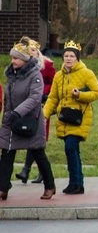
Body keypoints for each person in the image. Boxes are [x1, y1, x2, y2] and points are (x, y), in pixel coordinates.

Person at [43, 40, 98, 195]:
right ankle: (77, 184)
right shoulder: (58, 76)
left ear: (77, 58)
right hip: (64, 118)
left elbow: (97, 93)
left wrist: (80, 95)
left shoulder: (86, 73)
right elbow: (53, 98)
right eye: (66, 56)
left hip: (79, 118)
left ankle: (75, 182)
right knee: (71, 151)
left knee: (70, 147)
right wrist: (44, 115)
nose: (68, 59)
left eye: (72, 56)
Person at [0, 42, 56, 201]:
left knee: (38, 153)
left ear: (25, 59)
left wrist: (18, 112)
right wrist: (8, 117)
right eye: (12, 58)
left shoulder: (35, 75)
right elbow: (8, 99)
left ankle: (50, 185)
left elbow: (34, 98)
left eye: (16, 58)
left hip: (30, 120)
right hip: (11, 120)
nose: (13, 61)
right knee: (6, 152)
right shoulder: (11, 75)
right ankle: (2, 188)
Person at [16, 37, 55, 185]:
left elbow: (53, 83)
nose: (31, 53)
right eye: (28, 50)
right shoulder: (24, 66)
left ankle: (28, 170)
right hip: (29, 105)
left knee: (38, 138)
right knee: (31, 136)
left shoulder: (47, 64)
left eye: (33, 50)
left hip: (43, 104)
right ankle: (37, 171)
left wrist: (42, 92)